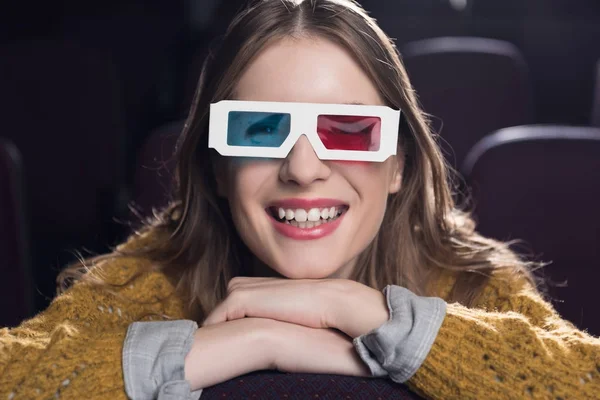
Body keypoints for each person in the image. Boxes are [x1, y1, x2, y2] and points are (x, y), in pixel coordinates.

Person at [2, 0, 599, 399]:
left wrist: (362, 315)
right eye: (260, 130)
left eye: (347, 130)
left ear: (398, 165)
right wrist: (240, 344)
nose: (304, 168)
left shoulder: (471, 279)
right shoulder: (159, 272)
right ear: (216, 168)